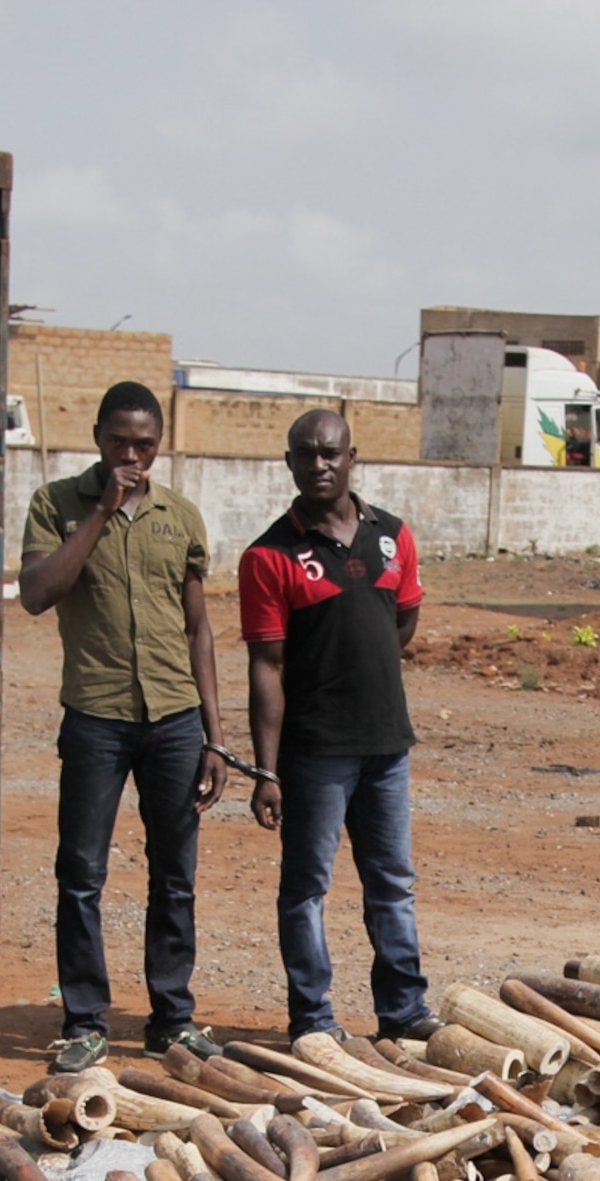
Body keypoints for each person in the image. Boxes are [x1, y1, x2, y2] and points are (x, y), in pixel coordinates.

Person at [19, 380, 226, 1074]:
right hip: (96, 717)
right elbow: (38, 595)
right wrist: (102, 511)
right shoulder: (56, 503)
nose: (132, 456)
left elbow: (199, 628)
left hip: (174, 718)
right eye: (119, 442)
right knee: (81, 873)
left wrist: (215, 736)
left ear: (159, 444)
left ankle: (173, 1018)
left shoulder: (181, 516)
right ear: (98, 438)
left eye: (144, 444)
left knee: (176, 875)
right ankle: (84, 1022)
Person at [240, 409, 437, 1044]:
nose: (319, 464)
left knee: (392, 885)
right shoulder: (270, 555)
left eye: (331, 453)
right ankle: (313, 1019)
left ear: (353, 457)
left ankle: (403, 1013)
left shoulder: (393, 537)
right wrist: (267, 770)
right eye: (306, 455)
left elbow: (400, 625)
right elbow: (266, 667)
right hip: (315, 754)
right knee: (306, 888)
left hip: (386, 747)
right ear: (290, 462)